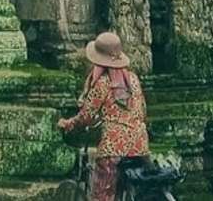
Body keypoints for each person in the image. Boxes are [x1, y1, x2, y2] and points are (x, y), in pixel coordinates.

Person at [58, 30, 149, 201]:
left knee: (102, 196)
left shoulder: (102, 83)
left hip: (113, 150)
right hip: (140, 146)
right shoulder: (133, 79)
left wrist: (69, 123)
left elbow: (86, 115)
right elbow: (142, 110)